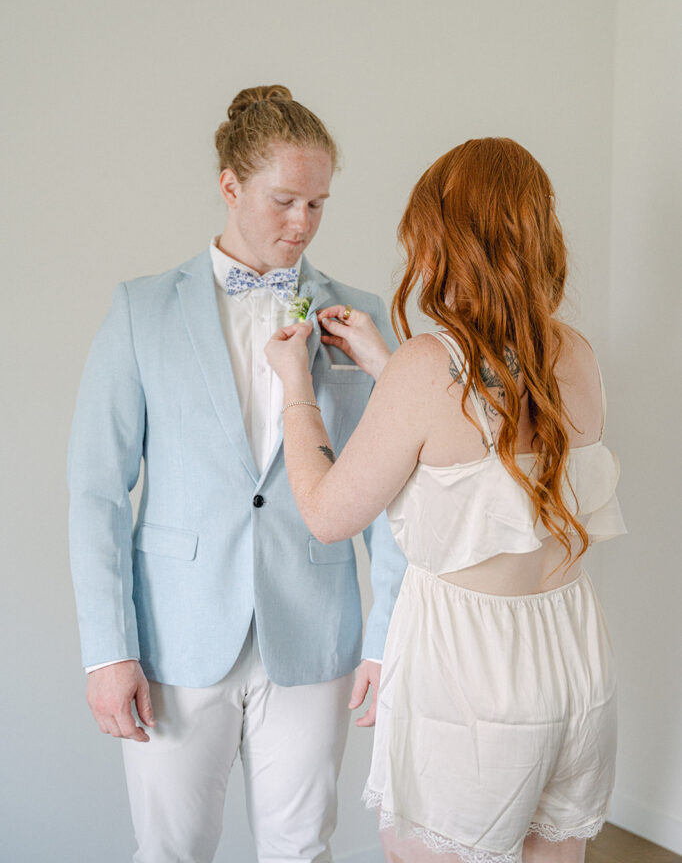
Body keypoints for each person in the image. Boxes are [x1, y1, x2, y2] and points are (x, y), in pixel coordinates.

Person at [68, 85, 406, 863]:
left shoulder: (357, 318)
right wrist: (106, 649)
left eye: (318, 204)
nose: (303, 223)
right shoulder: (141, 311)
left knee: (302, 849)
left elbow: (392, 495)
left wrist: (388, 640)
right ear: (229, 186)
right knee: (170, 851)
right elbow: (96, 493)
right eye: (285, 199)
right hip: (173, 637)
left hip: (315, 631)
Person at [265, 136, 626, 863]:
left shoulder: (429, 368)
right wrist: (383, 363)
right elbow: (480, 450)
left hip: (469, 678)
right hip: (572, 662)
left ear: (442, 240)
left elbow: (328, 514)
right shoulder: (576, 355)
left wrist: (295, 388)